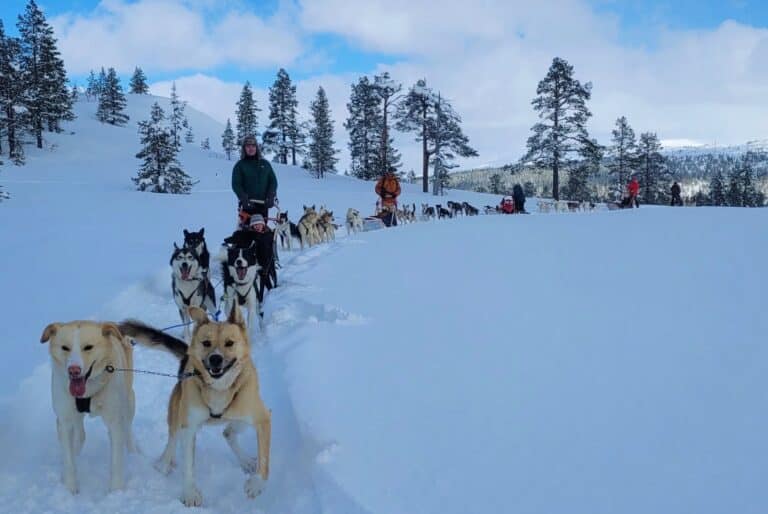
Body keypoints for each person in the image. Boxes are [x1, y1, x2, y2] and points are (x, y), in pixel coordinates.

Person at [231, 135, 278, 222]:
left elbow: (273, 181)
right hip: (247, 205)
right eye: (248, 146)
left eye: (253, 146)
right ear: (244, 149)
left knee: (262, 229)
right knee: (246, 230)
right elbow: (236, 184)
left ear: (256, 147)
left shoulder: (265, 164)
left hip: (263, 204)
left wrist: (271, 195)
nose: (251, 148)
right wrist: (243, 198)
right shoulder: (240, 165)